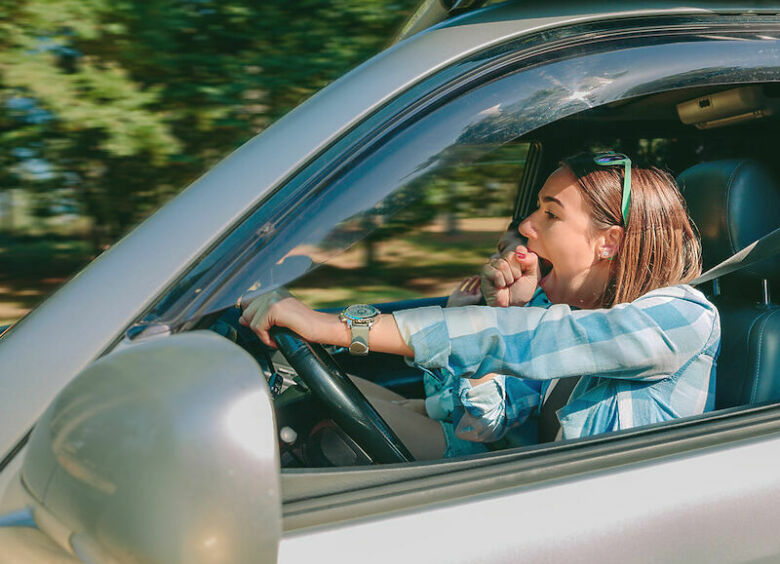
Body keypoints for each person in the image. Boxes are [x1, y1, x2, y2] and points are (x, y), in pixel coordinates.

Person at [240, 152, 720, 460]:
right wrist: (507, 312)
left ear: (608, 243)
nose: (527, 227)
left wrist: (332, 324)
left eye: (550, 214)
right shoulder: (571, 318)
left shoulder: (681, 317)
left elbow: (537, 340)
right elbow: (487, 424)